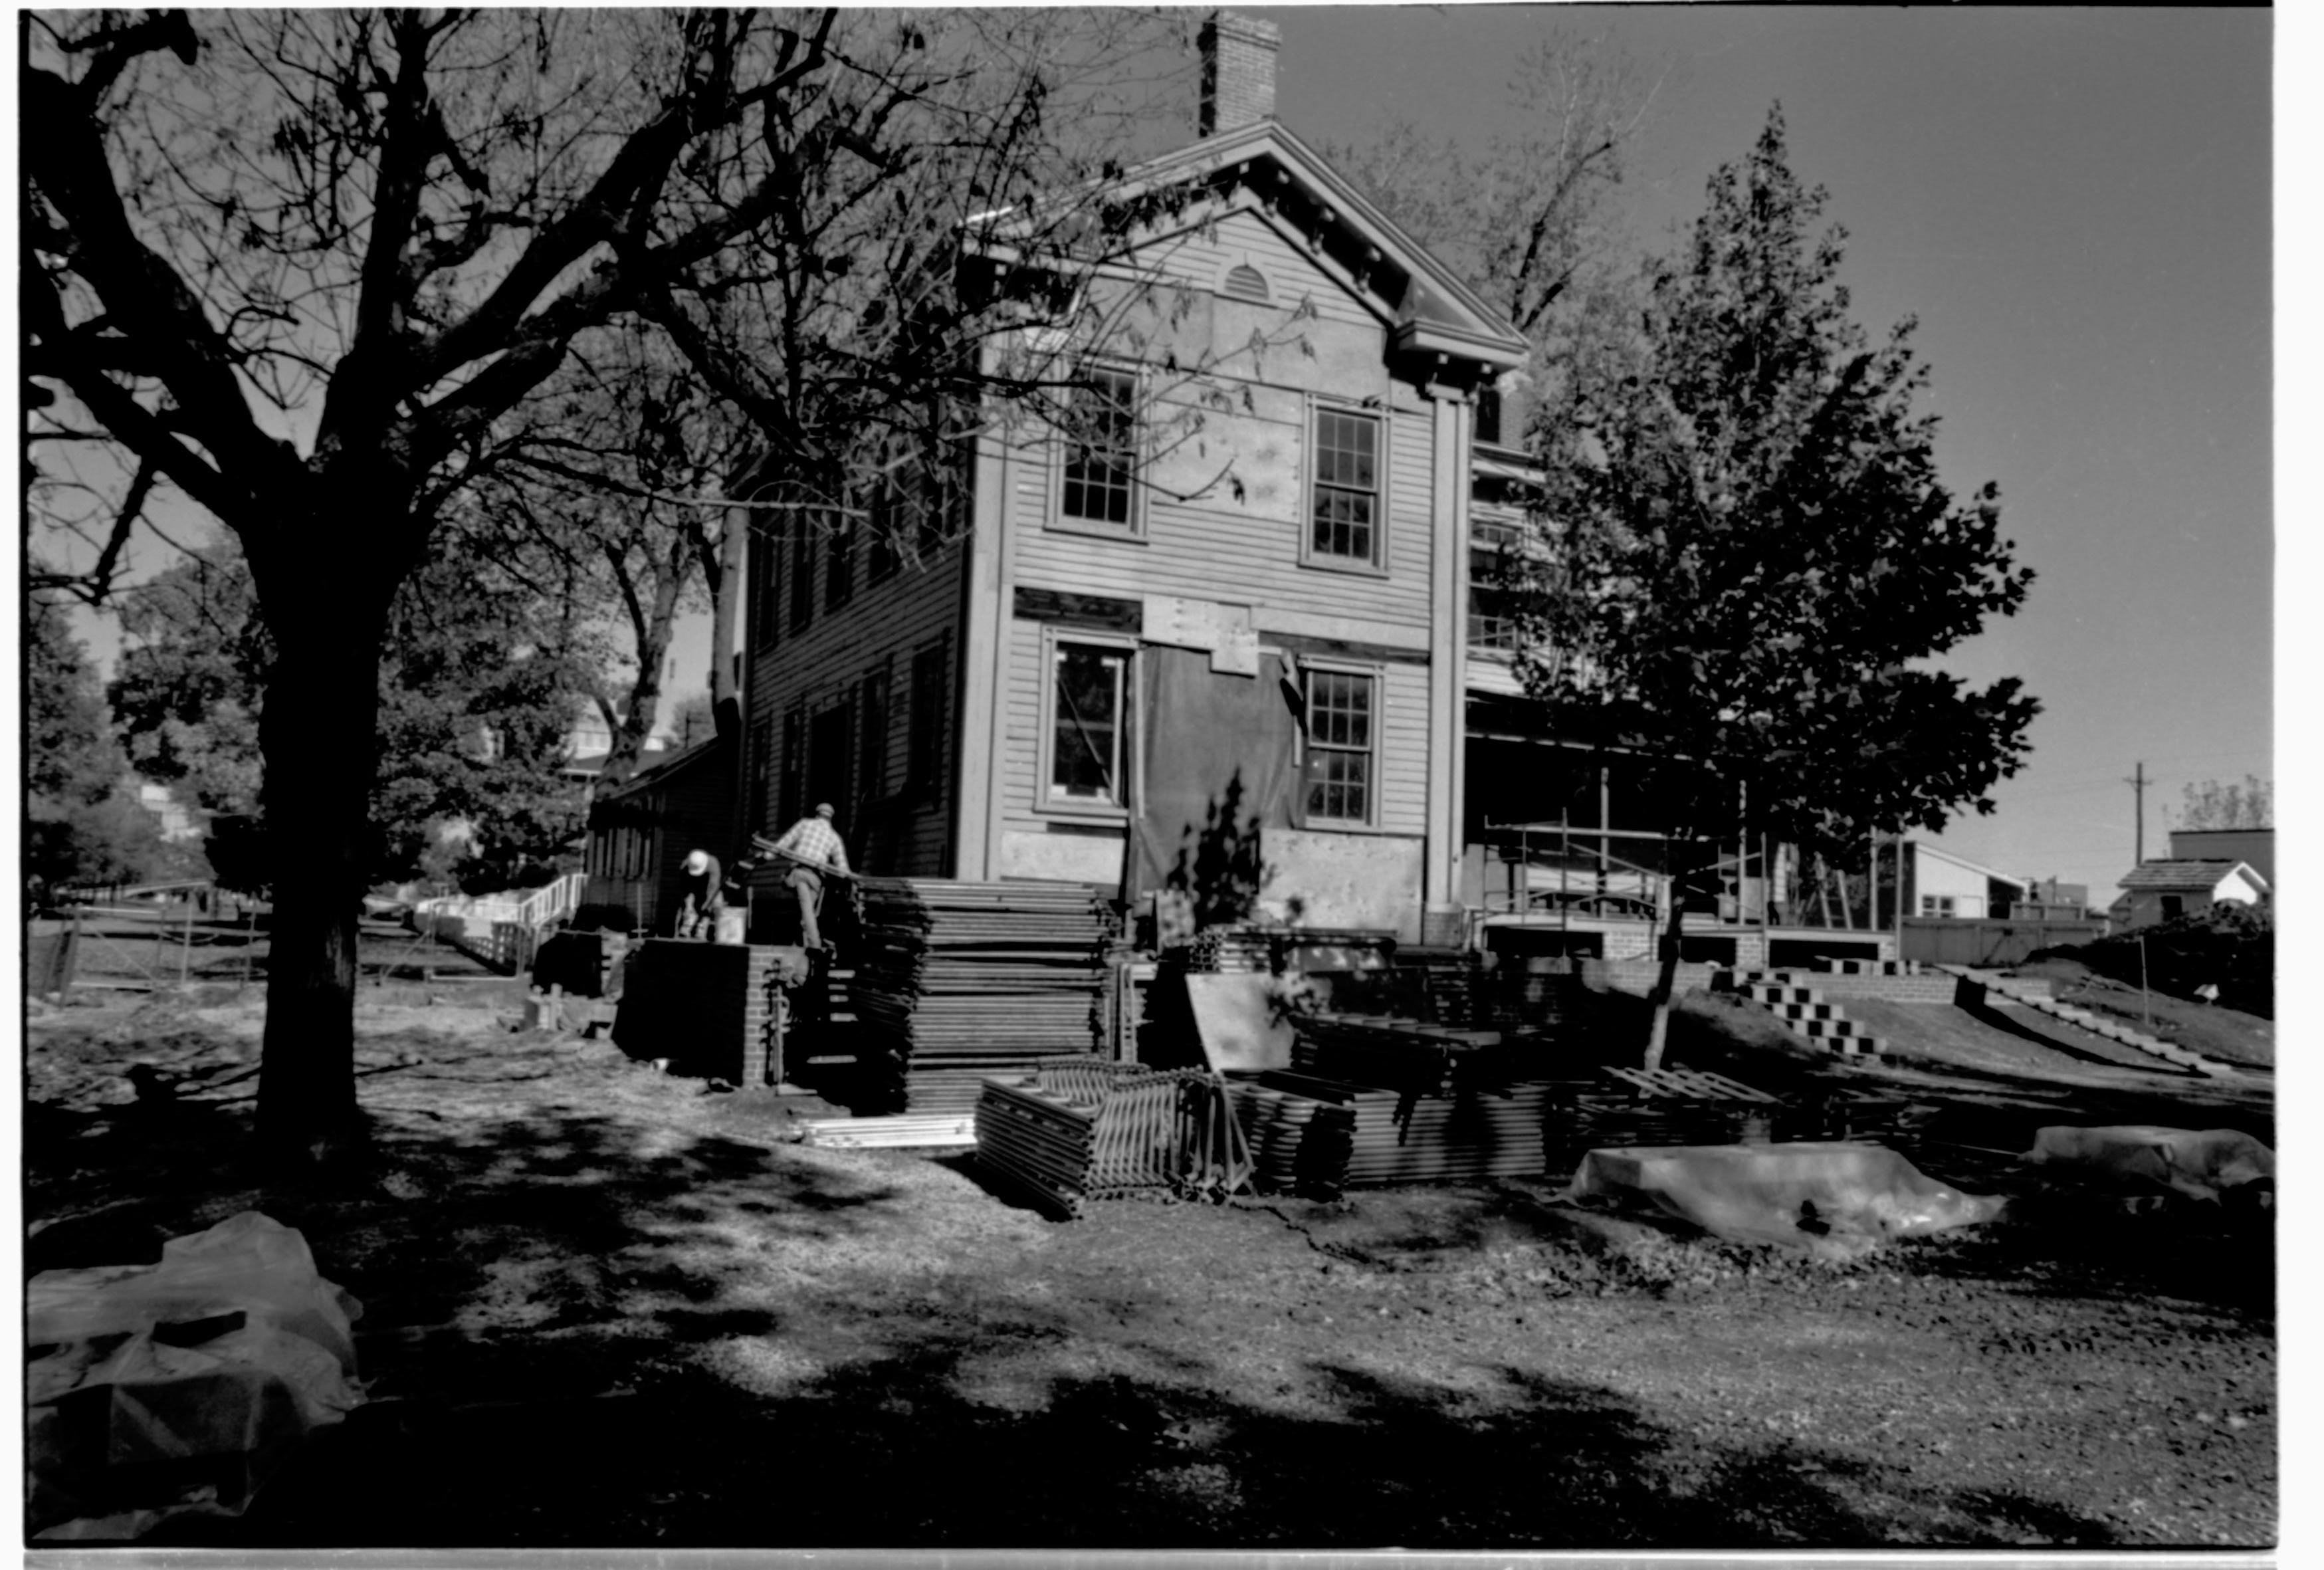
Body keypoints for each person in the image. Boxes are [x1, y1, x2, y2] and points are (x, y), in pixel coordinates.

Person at [770, 802, 850, 951]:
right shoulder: (834, 837)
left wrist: (767, 855)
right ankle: (801, 947)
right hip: (816, 880)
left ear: (817, 814)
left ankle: (814, 945)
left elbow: (784, 843)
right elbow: (842, 867)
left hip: (799, 873)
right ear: (830, 819)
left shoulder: (805, 825)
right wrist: (846, 878)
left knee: (807, 913)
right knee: (807, 912)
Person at [675, 847, 724, 940]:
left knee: (715, 905)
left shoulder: (713, 864)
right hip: (694, 887)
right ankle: (685, 931)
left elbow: (713, 888)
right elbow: (685, 890)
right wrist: (688, 905)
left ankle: (703, 932)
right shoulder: (685, 866)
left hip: (710, 888)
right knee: (689, 908)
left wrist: (707, 905)